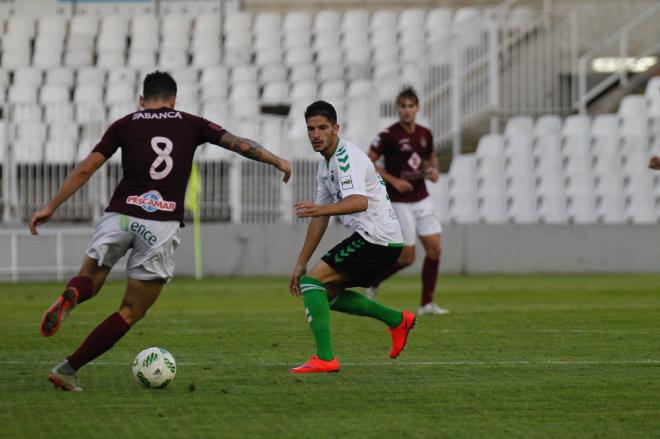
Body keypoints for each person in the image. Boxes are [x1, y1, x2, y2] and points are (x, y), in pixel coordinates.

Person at [30, 71, 291, 391]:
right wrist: (278, 161)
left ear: (142, 100)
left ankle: (73, 295)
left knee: (92, 276)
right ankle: (68, 369)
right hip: (161, 224)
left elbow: (87, 167)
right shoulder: (192, 122)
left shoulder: (125, 124)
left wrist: (51, 207)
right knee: (129, 310)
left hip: (121, 215)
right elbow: (239, 145)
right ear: (173, 100)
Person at [288, 100, 416, 374]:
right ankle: (397, 320)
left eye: (322, 128)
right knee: (327, 293)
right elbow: (320, 217)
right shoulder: (325, 166)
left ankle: (325, 359)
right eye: (311, 129)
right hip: (379, 239)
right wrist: (301, 261)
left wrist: (320, 208)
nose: (316, 134)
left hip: (377, 239)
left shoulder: (347, 158)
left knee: (313, 283)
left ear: (336, 128)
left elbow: (359, 202)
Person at [365, 86, 449, 316]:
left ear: (417, 108)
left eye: (410, 106)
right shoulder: (388, 136)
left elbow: (430, 155)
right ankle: (373, 280)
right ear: (398, 109)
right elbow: (368, 161)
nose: (406, 110)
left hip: (422, 198)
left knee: (434, 249)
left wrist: (433, 170)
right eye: (402, 106)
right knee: (407, 258)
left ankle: (426, 305)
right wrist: (393, 181)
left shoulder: (424, 133)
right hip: (400, 202)